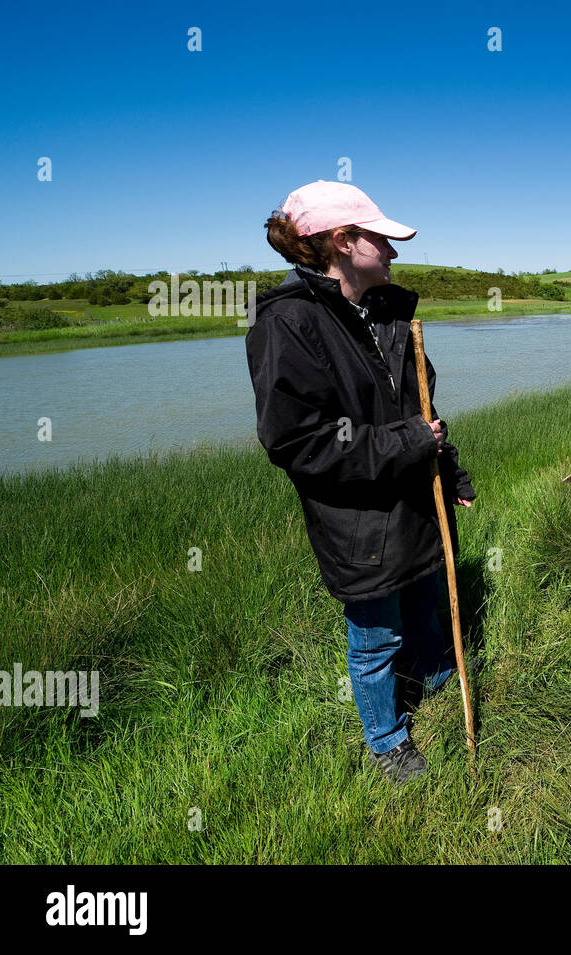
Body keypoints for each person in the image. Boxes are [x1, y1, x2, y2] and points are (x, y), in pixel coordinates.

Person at [245, 180, 475, 784]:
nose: (393, 252)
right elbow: (298, 441)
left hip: (416, 505)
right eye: (381, 239)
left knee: (426, 607)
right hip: (360, 523)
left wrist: (448, 469)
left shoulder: (390, 312)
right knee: (375, 638)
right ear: (344, 242)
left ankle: (435, 675)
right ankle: (387, 739)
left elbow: (421, 411)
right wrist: (412, 444)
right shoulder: (287, 324)